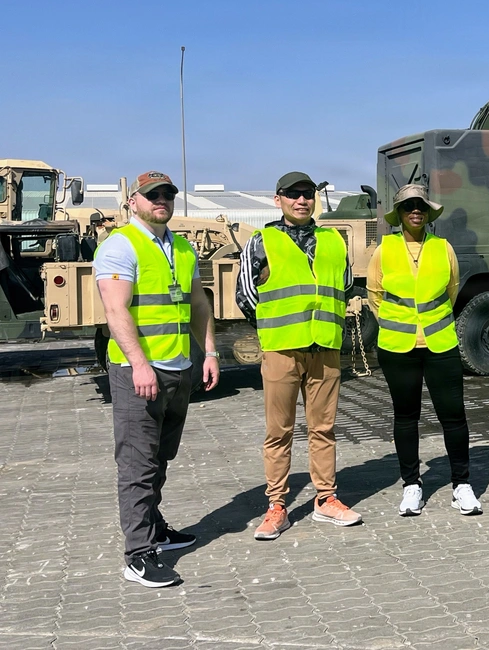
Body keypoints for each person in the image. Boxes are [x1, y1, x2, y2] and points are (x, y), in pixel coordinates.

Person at [95, 170, 220, 588]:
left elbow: (198, 303)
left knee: (160, 458)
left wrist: (209, 353)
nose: (161, 200)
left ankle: (154, 528)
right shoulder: (120, 245)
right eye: (152, 195)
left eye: (167, 194)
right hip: (140, 374)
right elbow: (116, 311)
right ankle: (138, 554)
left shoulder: (181, 247)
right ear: (134, 201)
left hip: (179, 369)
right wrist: (140, 364)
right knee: (137, 464)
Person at [236, 171, 362, 540]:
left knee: (323, 429)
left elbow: (344, 285)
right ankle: (277, 505)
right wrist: (276, 326)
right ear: (278, 200)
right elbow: (246, 296)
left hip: (325, 348)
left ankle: (326, 499)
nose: (302, 200)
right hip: (282, 350)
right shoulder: (262, 242)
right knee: (279, 431)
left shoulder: (333, 240)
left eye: (307, 194)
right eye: (293, 194)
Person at [367, 184, 481, 517]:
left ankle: (461, 484)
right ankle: (411, 485)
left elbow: (452, 290)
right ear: (399, 214)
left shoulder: (443, 248)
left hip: (440, 343)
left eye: (420, 205)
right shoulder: (384, 249)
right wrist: (400, 323)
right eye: (408, 206)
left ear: (428, 212)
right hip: (397, 347)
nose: (415, 210)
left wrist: (429, 322)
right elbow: (375, 295)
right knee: (406, 417)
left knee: (453, 416)